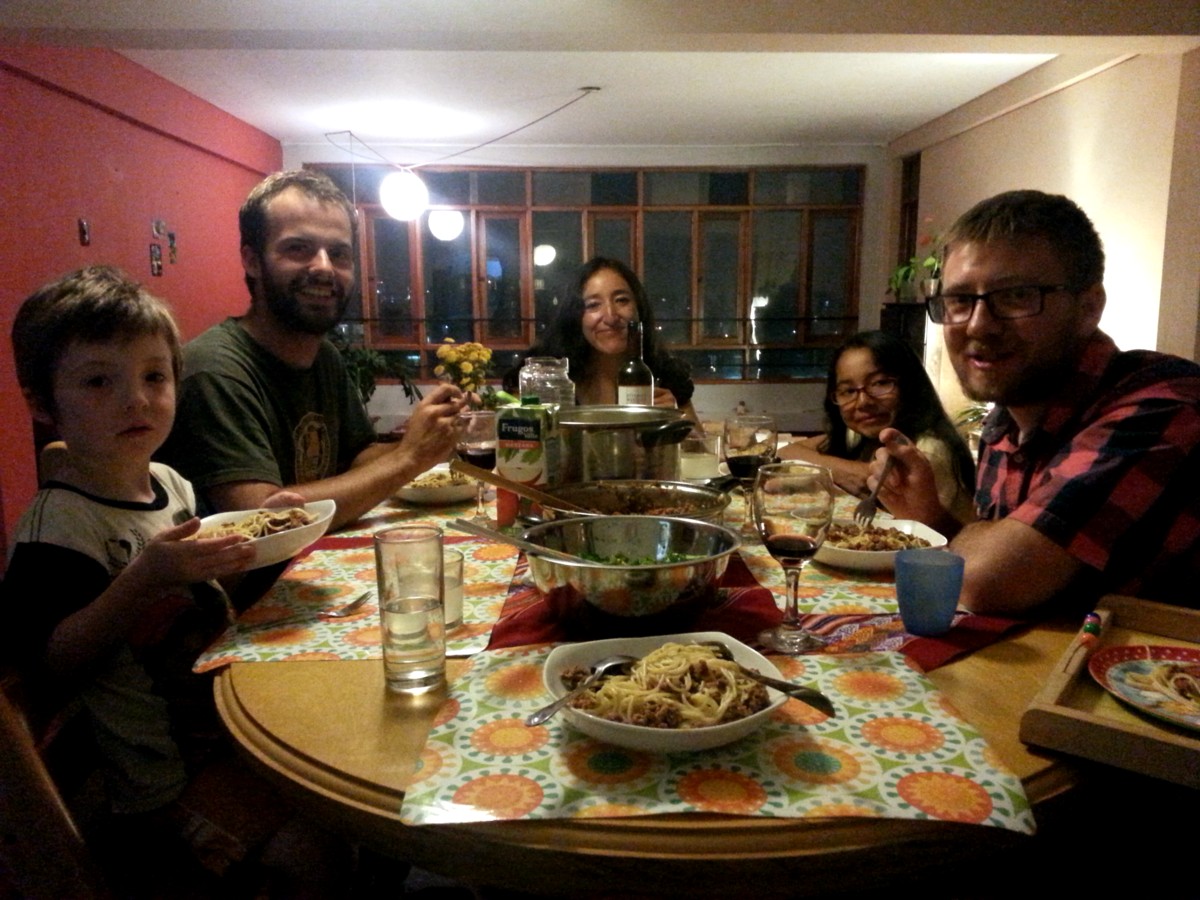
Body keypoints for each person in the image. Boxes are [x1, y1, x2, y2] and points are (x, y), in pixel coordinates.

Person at [3, 266, 348, 895]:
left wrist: (258, 534)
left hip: (218, 725)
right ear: (41, 403)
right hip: (150, 784)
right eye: (99, 381)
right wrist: (141, 580)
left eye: (154, 376)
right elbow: (48, 667)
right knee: (316, 842)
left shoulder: (170, 483)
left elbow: (200, 599)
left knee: (337, 753)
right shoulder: (60, 527)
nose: (136, 400)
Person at [872, 190, 1200, 615]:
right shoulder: (1005, 421)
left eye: (1015, 296)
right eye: (960, 300)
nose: (978, 325)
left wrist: (974, 540)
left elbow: (988, 581)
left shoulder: (1164, 407)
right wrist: (933, 519)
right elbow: (991, 564)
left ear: (1089, 308)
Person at [158, 169, 466, 531]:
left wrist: (433, 439)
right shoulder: (215, 369)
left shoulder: (324, 357)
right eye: (298, 248)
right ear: (252, 260)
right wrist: (409, 458)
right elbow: (261, 518)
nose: (324, 267)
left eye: (339, 253)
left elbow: (359, 459)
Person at [780, 330, 974, 522]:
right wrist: (848, 471)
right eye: (848, 390)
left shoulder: (927, 452)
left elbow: (923, 533)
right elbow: (787, 451)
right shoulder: (861, 434)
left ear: (910, 384)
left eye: (880, 383)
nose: (863, 402)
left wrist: (841, 471)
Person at [505, 257, 697, 416]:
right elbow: (509, 440)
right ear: (576, 316)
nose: (611, 317)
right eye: (593, 305)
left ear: (639, 308)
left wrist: (675, 419)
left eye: (621, 300)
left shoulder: (664, 374)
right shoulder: (544, 375)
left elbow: (701, 447)